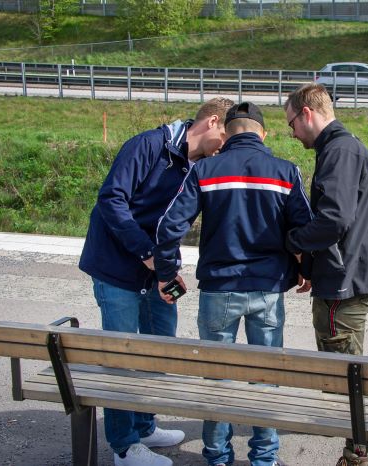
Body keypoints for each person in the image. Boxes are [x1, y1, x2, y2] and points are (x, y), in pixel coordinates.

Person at [153, 102, 312, 466]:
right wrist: (308, 269)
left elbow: (169, 227)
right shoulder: (286, 172)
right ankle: (264, 458)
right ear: (263, 134)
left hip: (218, 289)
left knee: (217, 379)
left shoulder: (206, 170)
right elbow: (304, 229)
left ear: (227, 132)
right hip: (268, 289)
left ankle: (217, 456)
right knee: (265, 378)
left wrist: (166, 271)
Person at [79, 96, 234, 466]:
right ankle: (124, 446)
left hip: (156, 271)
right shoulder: (149, 145)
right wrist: (146, 252)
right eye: (228, 136)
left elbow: (173, 224)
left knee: (159, 346)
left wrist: (166, 265)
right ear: (212, 122)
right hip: (117, 265)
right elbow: (111, 199)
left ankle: (145, 425)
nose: (227, 147)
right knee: (122, 356)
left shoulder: (200, 165)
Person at [283, 83, 368, 465]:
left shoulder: (339, 151)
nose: (291, 132)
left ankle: (356, 451)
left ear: (307, 114)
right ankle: (357, 437)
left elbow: (334, 220)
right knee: (349, 363)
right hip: (350, 273)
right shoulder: (342, 147)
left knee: (344, 371)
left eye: (291, 123)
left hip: (343, 282)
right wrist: (311, 264)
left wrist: (294, 241)